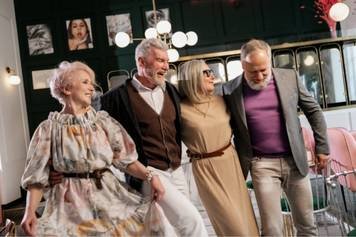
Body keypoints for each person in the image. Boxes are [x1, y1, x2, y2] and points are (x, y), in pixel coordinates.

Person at [20, 61, 173, 236]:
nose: (92, 88)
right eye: (85, 82)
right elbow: (36, 178)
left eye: (91, 83)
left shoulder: (103, 122)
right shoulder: (48, 129)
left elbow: (126, 160)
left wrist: (150, 176)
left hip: (109, 197)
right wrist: (29, 211)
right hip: (69, 207)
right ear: (66, 88)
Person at [217, 39, 330, 236]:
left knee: (307, 225)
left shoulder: (289, 77)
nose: (260, 76)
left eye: (264, 69)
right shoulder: (230, 90)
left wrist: (322, 147)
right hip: (261, 165)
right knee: (272, 229)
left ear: (270, 61)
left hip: (295, 160)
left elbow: (314, 112)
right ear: (243, 65)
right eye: (253, 71)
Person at [100, 38, 208, 236]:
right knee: (191, 220)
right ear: (141, 62)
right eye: (160, 61)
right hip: (148, 171)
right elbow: (101, 139)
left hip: (176, 170)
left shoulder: (172, 91)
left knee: (169, 229)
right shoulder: (114, 98)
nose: (166, 66)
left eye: (166, 61)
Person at [178, 59, 259, 236]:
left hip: (231, 163)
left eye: (211, 72)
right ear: (191, 78)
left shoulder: (223, 99)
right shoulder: (179, 109)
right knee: (231, 225)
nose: (211, 76)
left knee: (245, 219)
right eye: (205, 73)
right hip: (205, 169)